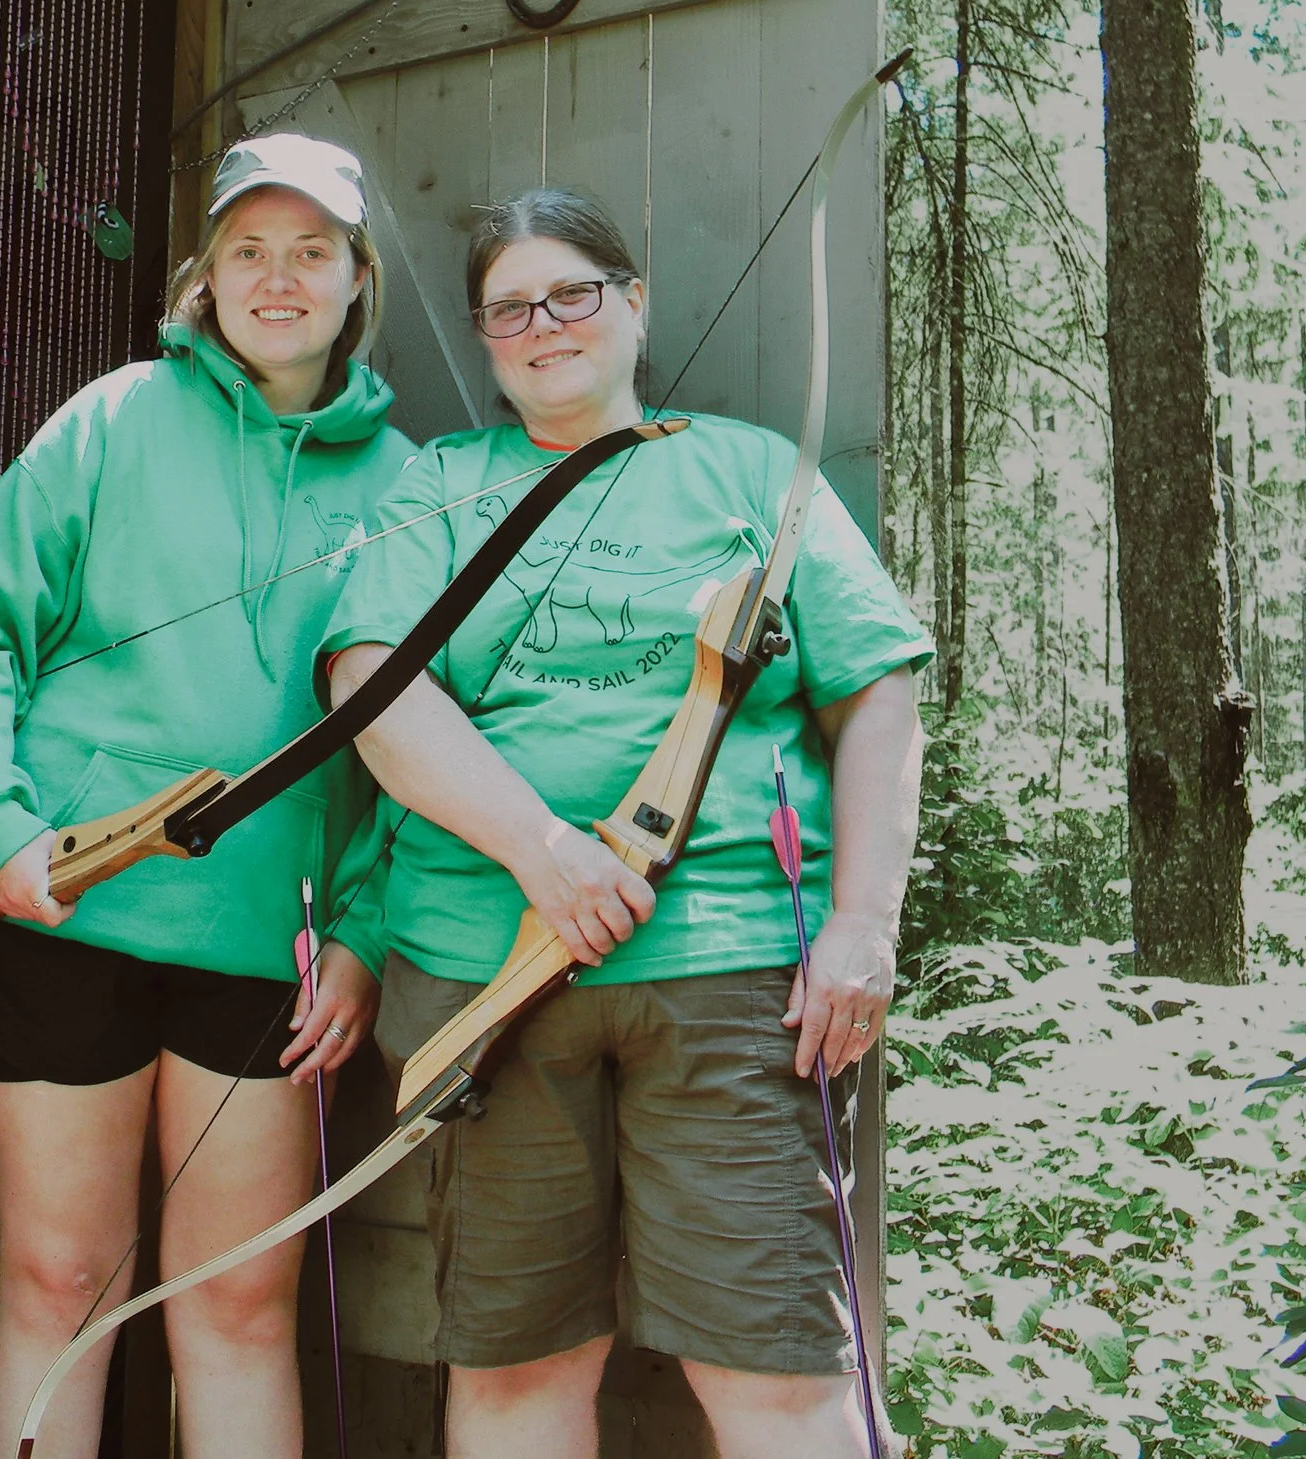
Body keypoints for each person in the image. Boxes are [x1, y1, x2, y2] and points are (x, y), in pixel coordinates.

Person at [319, 187, 931, 1459]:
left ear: (631, 303)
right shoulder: (443, 485)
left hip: (729, 976)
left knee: (776, 1371)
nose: (543, 324)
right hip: (486, 971)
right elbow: (369, 687)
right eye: (508, 310)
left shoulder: (751, 468)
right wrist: (541, 851)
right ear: (485, 344)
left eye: (572, 293)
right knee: (513, 1370)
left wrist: (866, 921)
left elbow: (875, 690)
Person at [0, 133, 413, 1459]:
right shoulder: (116, 415)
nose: (278, 278)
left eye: (311, 251)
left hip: (264, 949)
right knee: (62, 1277)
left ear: (358, 278)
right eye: (250, 248)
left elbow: (414, 750)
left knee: (241, 1299)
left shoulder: (412, 486)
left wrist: (357, 935)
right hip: (73, 910)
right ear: (206, 274)